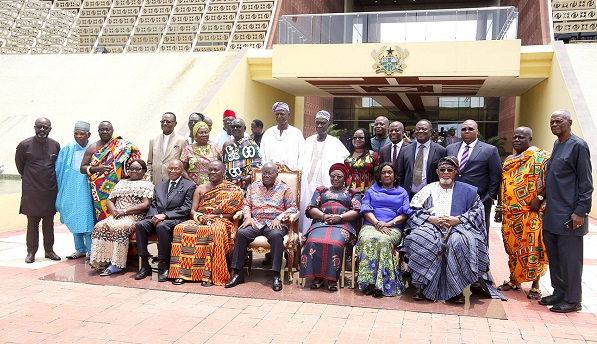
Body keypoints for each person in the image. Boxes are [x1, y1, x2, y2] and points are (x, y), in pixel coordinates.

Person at [401, 157, 505, 302]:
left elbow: (477, 210)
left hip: (459, 226)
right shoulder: (428, 189)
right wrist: (432, 219)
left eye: (450, 170)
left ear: (455, 172)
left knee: (460, 242)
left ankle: (456, 289)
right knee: (419, 238)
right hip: (431, 225)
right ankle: (422, 285)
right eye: (442, 170)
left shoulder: (467, 191)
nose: (446, 173)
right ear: (437, 172)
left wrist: (457, 219)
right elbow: (413, 209)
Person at [540, 109, 593, 313]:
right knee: (555, 257)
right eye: (552, 121)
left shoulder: (578, 146)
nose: (554, 124)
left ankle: (573, 300)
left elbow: (586, 182)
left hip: (570, 215)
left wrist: (581, 211)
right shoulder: (557, 144)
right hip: (552, 212)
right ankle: (559, 291)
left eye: (559, 121)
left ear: (569, 122)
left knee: (571, 260)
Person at [168, 161, 244, 286]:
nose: (213, 172)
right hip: (200, 219)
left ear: (223, 172)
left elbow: (234, 215)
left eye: (216, 170)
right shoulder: (201, 188)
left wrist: (215, 216)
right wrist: (201, 218)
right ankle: (181, 273)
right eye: (210, 170)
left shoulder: (233, 190)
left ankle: (210, 275)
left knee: (215, 231)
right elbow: (192, 210)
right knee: (180, 228)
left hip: (222, 220)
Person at [494, 127, 549, 300]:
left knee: (533, 247)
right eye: (514, 137)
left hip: (531, 211)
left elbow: (550, 181)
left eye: (521, 137)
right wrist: (499, 208)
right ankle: (514, 280)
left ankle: (535, 285)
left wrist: (539, 198)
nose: (516, 140)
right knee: (513, 248)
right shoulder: (509, 160)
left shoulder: (542, 157)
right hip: (510, 213)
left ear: (530, 138)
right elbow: (503, 185)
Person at [225, 162, 298, 292]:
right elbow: (246, 205)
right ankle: (237, 273)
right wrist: (247, 216)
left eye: (270, 173)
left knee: (276, 236)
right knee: (241, 233)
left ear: (276, 174)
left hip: (275, 222)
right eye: (264, 173)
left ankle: (276, 275)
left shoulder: (284, 188)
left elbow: (293, 208)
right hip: (256, 221)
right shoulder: (254, 186)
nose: (266, 175)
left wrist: (279, 218)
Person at [300, 163, 361, 291]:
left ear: (345, 177)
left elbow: (356, 211)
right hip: (322, 223)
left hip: (343, 224)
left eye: (339, 176)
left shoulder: (352, 192)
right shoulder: (321, 191)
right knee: (313, 241)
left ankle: (332, 278)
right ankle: (318, 276)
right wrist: (323, 216)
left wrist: (341, 217)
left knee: (334, 243)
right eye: (333, 176)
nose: (335, 179)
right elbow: (311, 208)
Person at [134, 160, 196, 282]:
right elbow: (154, 204)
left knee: (162, 226)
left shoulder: (189, 186)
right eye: (170, 168)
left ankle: (165, 265)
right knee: (140, 225)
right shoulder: (159, 185)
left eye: (176, 169)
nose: (173, 171)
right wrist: (154, 217)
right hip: (157, 216)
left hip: (176, 219)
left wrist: (165, 216)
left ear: (182, 171)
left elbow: (186, 208)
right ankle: (145, 265)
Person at [89, 159, 153, 275]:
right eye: (131, 168)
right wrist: (113, 210)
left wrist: (124, 211)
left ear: (144, 171)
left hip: (134, 216)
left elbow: (146, 204)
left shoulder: (147, 184)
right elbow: (110, 200)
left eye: (137, 169)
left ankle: (116, 264)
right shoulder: (121, 183)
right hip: (116, 214)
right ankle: (102, 260)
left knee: (120, 228)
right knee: (99, 226)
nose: (133, 171)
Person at [355, 162, 410, 297]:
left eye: (389, 172)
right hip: (371, 225)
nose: (386, 175)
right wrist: (378, 223)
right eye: (384, 172)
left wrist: (390, 223)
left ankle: (382, 284)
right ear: (379, 176)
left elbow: (405, 213)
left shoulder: (402, 192)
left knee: (383, 240)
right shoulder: (372, 191)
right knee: (368, 239)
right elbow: (366, 209)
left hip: (394, 226)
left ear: (395, 175)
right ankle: (368, 283)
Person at [16, 117, 61, 263]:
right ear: (34, 127)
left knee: (49, 223)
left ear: (50, 129)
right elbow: (20, 165)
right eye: (39, 127)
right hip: (32, 191)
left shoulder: (55, 145)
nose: (42, 130)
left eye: (45, 127)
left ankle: (49, 250)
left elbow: (56, 166)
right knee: (32, 223)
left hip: (49, 190)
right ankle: (31, 252)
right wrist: (30, 179)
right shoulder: (24, 145)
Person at [299, 110, 349, 234]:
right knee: (307, 208)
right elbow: (300, 162)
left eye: (323, 123)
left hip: (326, 184)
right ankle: (306, 236)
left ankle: (322, 236)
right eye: (317, 123)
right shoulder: (308, 141)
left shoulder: (335, 143)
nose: (320, 126)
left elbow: (340, 165)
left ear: (328, 124)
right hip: (308, 184)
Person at [80, 121, 141, 222]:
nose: (104, 132)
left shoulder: (122, 145)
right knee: (101, 214)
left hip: (118, 186)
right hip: (99, 190)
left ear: (112, 131)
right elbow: (82, 168)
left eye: (107, 129)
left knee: (118, 212)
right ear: (98, 131)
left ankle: (116, 233)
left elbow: (135, 154)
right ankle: (102, 233)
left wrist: (128, 173)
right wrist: (97, 169)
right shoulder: (92, 148)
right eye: (102, 130)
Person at [446, 119, 501, 232]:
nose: (467, 131)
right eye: (464, 129)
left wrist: (488, 197)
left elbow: (495, 176)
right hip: (454, 199)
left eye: (470, 129)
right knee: (454, 233)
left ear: (477, 131)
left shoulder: (490, 150)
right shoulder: (450, 149)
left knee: (479, 233)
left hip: (480, 199)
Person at [55, 121, 94, 261]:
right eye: (76, 134)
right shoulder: (67, 149)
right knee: (73, 219)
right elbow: (58, 170)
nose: (78, 136)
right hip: (71, 190)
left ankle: (91, 250)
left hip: (87, 191)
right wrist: (59, 190)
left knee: (88, 221)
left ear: (88, 134)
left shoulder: (94, 147)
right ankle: (80, 249)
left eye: (82, 134)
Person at [398, 119, 447, 199]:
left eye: (424, 129)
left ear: (431, 131)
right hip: (408, 195)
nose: (420, 131)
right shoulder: (405, 150)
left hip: (432, 196)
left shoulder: (441, 150)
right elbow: (400, 174)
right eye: (418, 129)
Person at [259, 101, 305, 170]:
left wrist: (298, 172)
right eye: (277, 114)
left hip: (291, 175)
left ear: (288, 115)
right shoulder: (268, 133)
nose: (279, 116)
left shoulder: (296, 133)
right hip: (270, 175)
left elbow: (302, 155)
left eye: (282, 114)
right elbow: (262, 155)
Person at [147, 112, 188, 184]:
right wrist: (149, 178)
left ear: (175, 124)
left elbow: (185, 164)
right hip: (157, 182)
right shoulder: (153, 140)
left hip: (174, 183)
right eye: (163, 121)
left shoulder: (182, 141)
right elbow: (149, 162)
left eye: (168, 122)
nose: (165, 124)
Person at [222, 118, 262, 189]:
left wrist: (250, 176)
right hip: (229, 184)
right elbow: (223, 164)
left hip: (246, 183)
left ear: (244, 128)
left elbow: (258, 164)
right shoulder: (226, 145)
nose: (235, 128)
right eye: (233, 126)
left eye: (238, 126)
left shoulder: (251, 144)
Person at [344, 128, 378, 193]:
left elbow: (377, 175)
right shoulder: (346, 155)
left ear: (366, 139)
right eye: (355, 137)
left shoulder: (373, 155)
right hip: (349, 193)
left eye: (360, 138)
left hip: (369, 192)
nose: (357, 139)